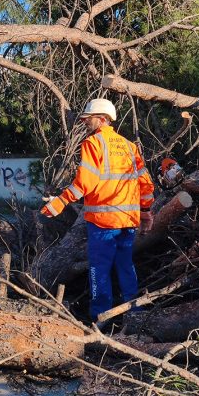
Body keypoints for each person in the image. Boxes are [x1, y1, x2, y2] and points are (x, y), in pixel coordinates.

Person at [40, 98, 155, 322]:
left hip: (103, 221)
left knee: (99, 269)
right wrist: (146, 212)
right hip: (128, 222)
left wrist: (61, 201)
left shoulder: (94, 144)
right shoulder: (130, 147)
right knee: (125, 265)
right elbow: (146, 185)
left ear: (102, 119)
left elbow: (86, 182)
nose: (85, 122)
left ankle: (100, 317)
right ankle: (134, 312)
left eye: (88, 118)